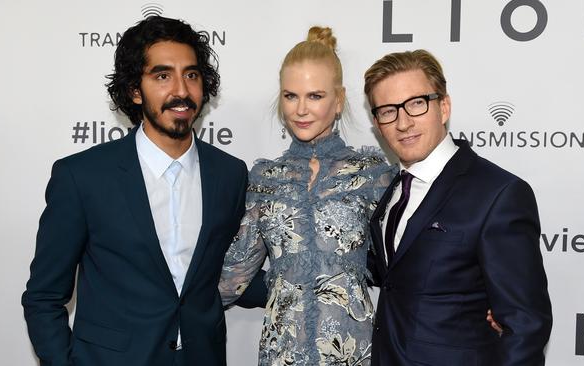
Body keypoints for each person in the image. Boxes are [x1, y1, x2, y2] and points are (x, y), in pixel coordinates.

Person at [21, 16, 264, 366]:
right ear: (135, 90)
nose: (181, 90)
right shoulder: (82, 176)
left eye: (191, 75)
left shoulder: (230, 173)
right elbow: (44, 297)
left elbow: (231, 273)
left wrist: (312, 282)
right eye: (162, 76)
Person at [364, 49, 553, 365]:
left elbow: (524, 326)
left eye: (416, 103)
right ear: (377, 123)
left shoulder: (499, 194)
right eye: (388, 110)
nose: (403, 122)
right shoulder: (393, 190)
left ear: (444, 107)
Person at [219, 27, 393, 366]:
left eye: (315, 96)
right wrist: (169, 300)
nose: (300, 109)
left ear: (339, 99)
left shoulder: (370, 173)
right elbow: (234, 274)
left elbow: (404, 266)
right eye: (290, 96)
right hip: (282, 351)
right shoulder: (266, 179)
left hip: (353, 351)